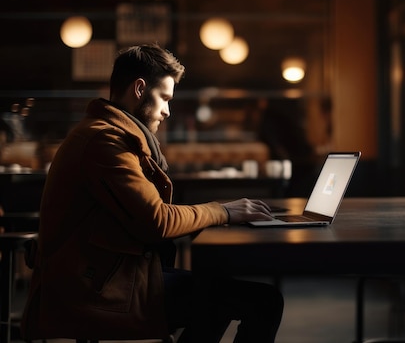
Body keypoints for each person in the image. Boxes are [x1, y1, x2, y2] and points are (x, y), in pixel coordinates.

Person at [20, 44, 284, 342]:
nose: (167, 111)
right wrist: (222, 211)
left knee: (219, 296)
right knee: (263, 301)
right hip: (95, 289)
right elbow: (157, 220)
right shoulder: (104, 141)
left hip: (109, 274)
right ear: (139, 88)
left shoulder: (108, 133)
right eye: (165, 98)